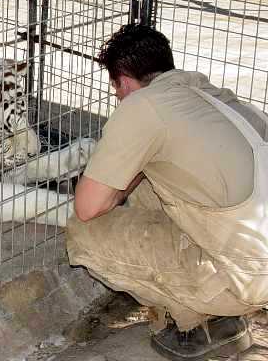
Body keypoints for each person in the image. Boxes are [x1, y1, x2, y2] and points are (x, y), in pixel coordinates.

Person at [67, 23, 268, 360]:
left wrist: (114, 187)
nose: (118, 98)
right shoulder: (207, 92)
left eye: (115, 91)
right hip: (257, 246)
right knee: (150, 183)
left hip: (249, 277)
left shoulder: (142, 106)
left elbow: (88, 207)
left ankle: (201, 323)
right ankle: (223, 310)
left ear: (125, 83)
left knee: (83, 232)